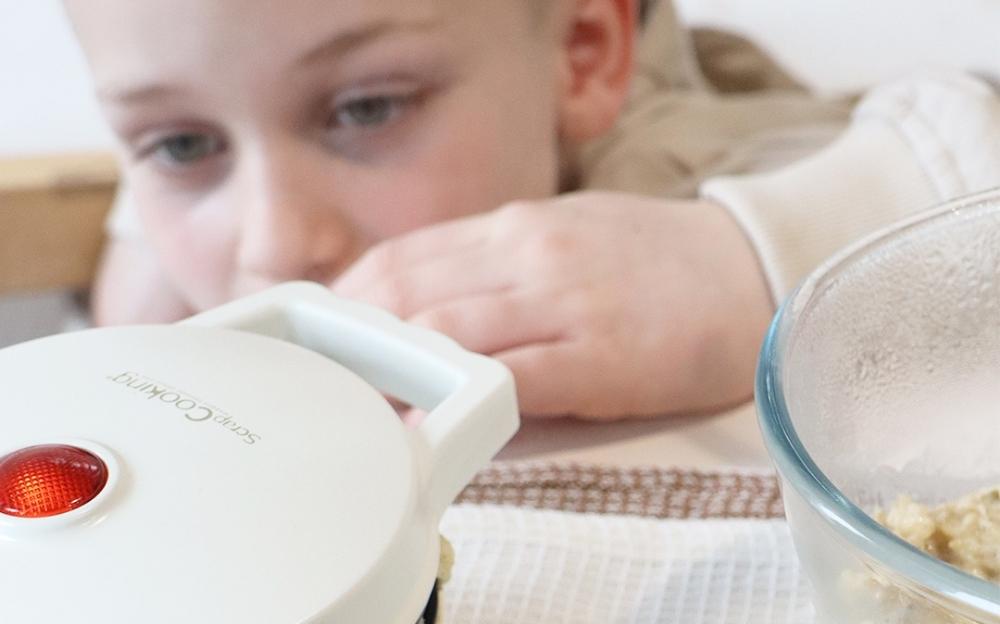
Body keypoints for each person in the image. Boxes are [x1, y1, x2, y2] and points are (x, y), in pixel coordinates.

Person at [67, 0, 1000, 419]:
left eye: (366, 108)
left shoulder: (679, 180)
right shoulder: (188, 232)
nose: (272, 246)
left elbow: (964, 169)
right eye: (183, 144)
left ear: (583, 55)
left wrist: (753, 259)